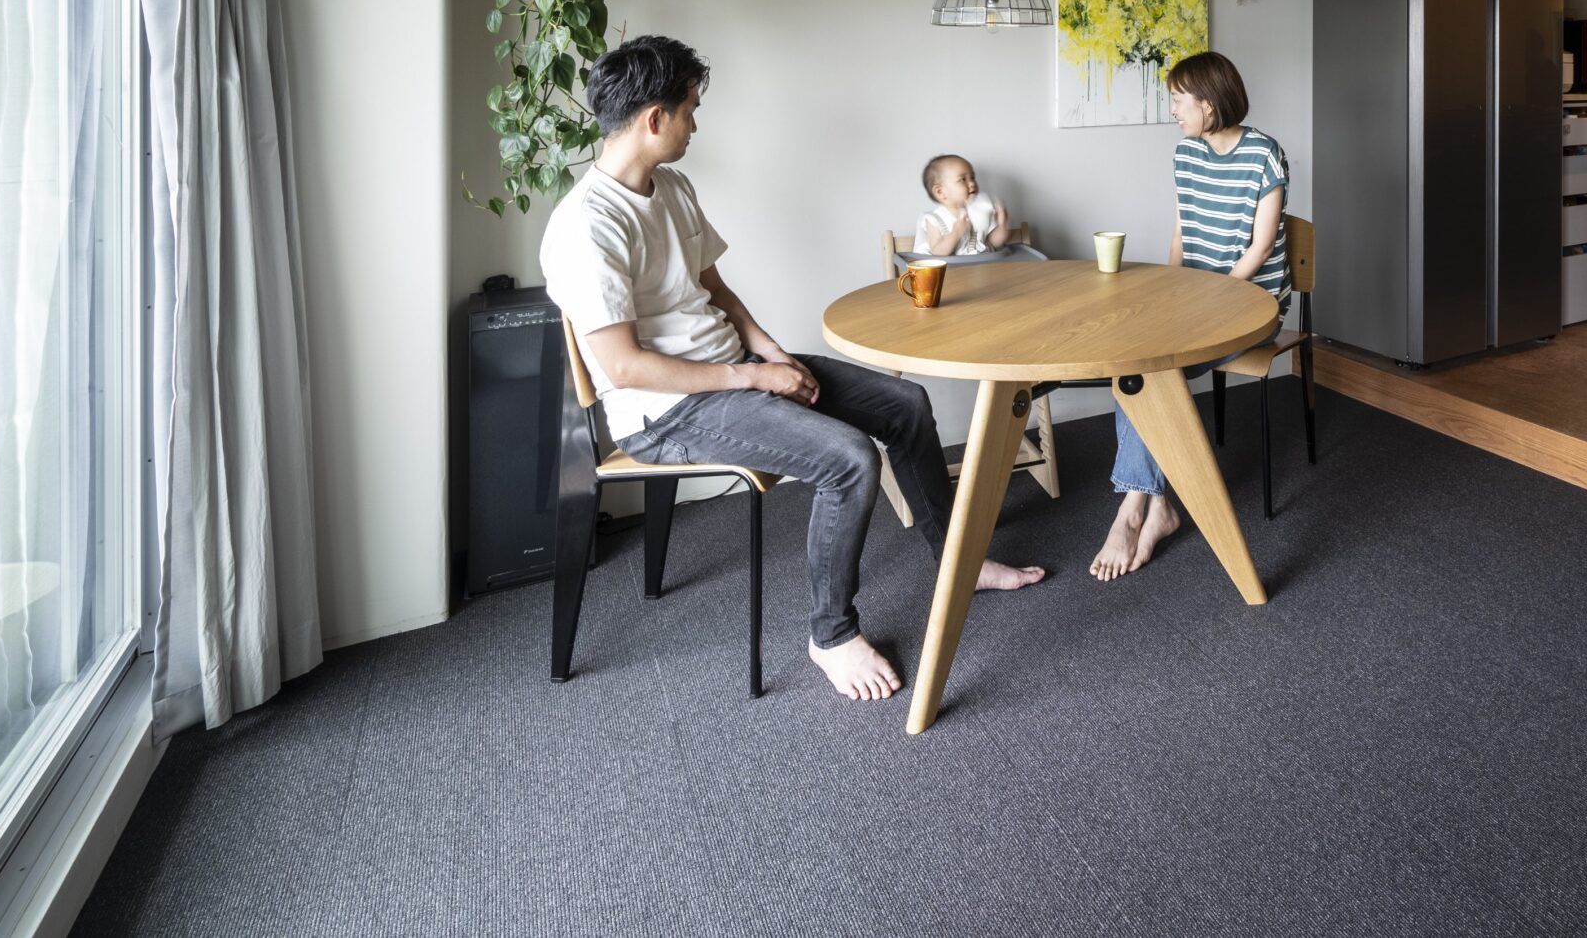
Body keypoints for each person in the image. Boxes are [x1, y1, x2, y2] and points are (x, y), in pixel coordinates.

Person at [539, 35, 1044, 701]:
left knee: (905, 406)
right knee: (850, 459)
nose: (695, 126)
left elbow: (715, 289)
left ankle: (959, 561)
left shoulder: (674, 187)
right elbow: (624, 366)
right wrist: (753, 377)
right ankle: (830, 634)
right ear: (654, 118)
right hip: (665, 412)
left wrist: (772, 353)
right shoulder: (585, 226)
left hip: (733, 368)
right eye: (690, 111)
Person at [1091, 50, 1289, 582]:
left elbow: (1261, 247)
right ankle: (1154, 505)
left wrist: (1212, 298)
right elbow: (1182, 230)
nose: (1173, 110)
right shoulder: (1186, 153)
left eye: (1179, 100)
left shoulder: (1264, 155)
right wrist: (1170, 291)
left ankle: (1134, 509)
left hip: (1250, 306)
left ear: (1210, 103)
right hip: (1195, 302)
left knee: (1153, 369)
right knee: (1133, 361)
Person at [912, 154, 1010, 256]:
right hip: (953, 266)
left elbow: (992, 243)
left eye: (972, 177)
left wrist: (1002, 225)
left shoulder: (980, 211)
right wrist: (956, 232)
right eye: (962, 179)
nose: (972, 183)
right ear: (940, 192)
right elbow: (937, 252)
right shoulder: (934, 219)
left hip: (982, 263)